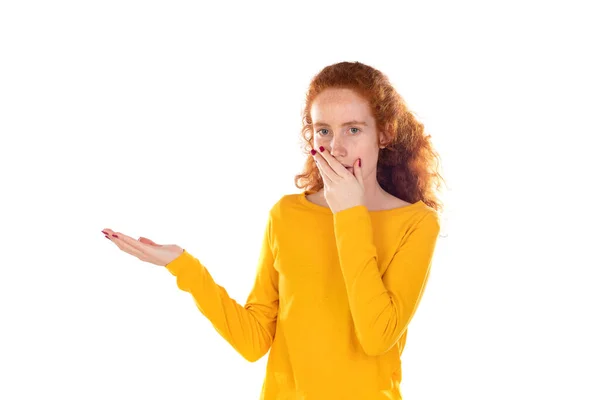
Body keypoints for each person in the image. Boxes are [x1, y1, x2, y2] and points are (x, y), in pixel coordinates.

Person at [102, 61, 446, 399]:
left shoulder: (416, 224)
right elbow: (254, 342)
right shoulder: (287, 214)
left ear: (383, 133)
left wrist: (350, 215)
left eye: (353, 129)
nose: (336, 147)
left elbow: (376, 336)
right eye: (324, 130)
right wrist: (183, 266)